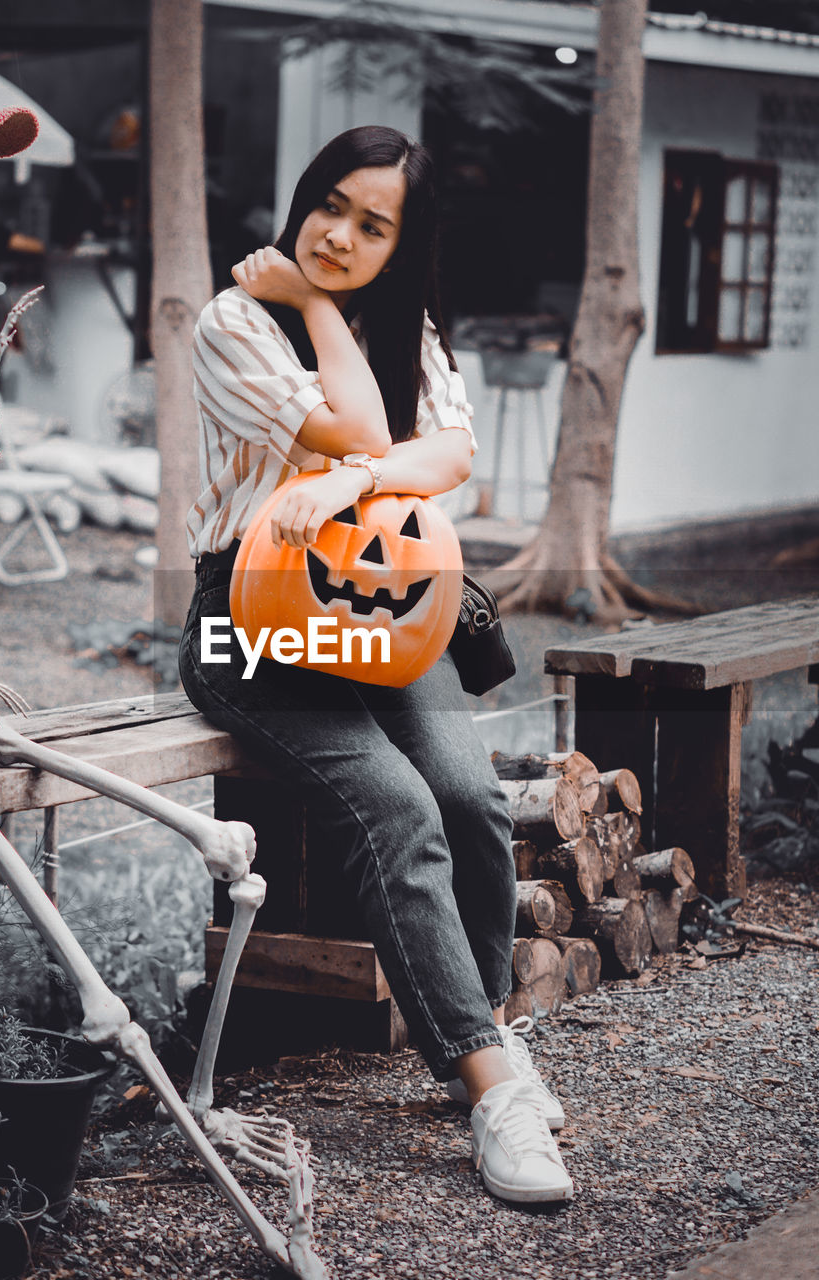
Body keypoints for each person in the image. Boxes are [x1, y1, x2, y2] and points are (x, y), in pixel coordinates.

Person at [178, 125, 573, 1205]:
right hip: (248, 624)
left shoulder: (412, 328)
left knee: (470, 799)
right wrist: (308, 306)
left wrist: (351, 486)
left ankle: (476, 1030)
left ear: (405, 245)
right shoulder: (236, 319)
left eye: (373, 224)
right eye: (331, 206)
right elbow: (353, 421)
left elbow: (453, 458)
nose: (340, 235)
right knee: (399, 808)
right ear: (303, 196)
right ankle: (495, 1090)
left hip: (389, 607)